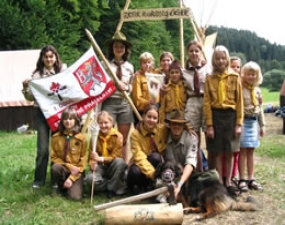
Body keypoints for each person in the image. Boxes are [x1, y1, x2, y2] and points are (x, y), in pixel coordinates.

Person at [21, 45, 67, 188]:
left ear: (55, 57)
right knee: (43, 149)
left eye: (51, 56)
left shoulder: (62, 71)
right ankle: (39, 180)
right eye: (46, 57)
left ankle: (56, 179)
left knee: (57, 147)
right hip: (42, 114)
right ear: (42, 58)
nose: (48, 59)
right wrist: (26, 88)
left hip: (58, 113)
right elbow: (30, 98)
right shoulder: (36, 75)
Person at [204, 45, 243, 196]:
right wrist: (209, 125)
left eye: (223, 58)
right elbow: (207, 102)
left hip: (231, 116)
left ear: (227, 59)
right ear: (214, 60)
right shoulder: (210, 78)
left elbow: (239, 102)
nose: (220, 61)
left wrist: (238, 123)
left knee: (231, 150)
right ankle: (220, 181)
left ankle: (229, 181)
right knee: (219, 151)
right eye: (218, 58)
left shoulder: (235, 77)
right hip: (216, 115)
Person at [101, 30, 134, 162]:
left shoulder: (130, 67)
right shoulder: (105, 65)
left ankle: (123, 167)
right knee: (108, 136)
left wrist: (127, 87)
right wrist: (115, 85)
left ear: (125, 49)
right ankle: (108, 165)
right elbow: (101, 85)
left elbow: (131, 86)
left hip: (125, 104)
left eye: (122, 47)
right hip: (109, 103)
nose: (119, 49)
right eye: (116, 46)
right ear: (112, 48)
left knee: (123, 140)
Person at [183, 40, 211, 172]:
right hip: (192, 101)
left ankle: (210, 169)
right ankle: (197, 171)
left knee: (209, 135)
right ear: (187, 53)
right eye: (191, 51)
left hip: (206, 101)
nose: (194, 53)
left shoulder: (208, 68)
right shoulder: (183, 71)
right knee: (194, 138)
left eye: (196, 50)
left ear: (201, 52)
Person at [84, 111, 127, 198]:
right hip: (100, 167)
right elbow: (91, 156)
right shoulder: (94, 136)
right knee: (89, 179)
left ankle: (111, 189)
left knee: (120, 162)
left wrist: (101, 159)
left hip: (112, 165)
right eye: (100, 123)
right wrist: (92, 164)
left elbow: (116, 156)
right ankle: (114, 184)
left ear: (111, 123)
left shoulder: (118, 136)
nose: (103, 125)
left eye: (106, 122)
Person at [127, 105, 168, 193]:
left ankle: (151, 185)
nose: (151, 120)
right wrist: (154, 175)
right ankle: (139, 186)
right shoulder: (135, 135)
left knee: (156, 157)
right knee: (134, 172)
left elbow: (175, 125)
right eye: (149, 116)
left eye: (154, 118)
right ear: (143, 116)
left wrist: (188, 127)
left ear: (158, 120)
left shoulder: (162, 130)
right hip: (141, 165)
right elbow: (139, 157)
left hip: (155, 163)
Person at [238, 61, 265, 192]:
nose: (251, 77)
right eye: (248, 74)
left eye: (253, 74)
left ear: (257, 75)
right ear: (244, 74)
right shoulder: (240, 88)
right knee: (242, 151)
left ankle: (251, 178)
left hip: (254, 123)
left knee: (251, 151)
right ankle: (242, 179)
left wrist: (262, 125)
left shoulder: (258, 91)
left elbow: (260, 108)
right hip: (243, 122)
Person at [50, 107, 87, 200]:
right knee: (55, 167)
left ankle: (70, 185)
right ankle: (61, 186)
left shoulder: (81, 139)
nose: (68, 121)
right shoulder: (56, 137)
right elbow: (53, 157)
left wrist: (71, 178)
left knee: (75, 197)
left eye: (71, 119)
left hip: (76, 172)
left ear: (75, 121)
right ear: (62, 121)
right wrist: (69, 166)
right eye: (65, 119)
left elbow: (83, 162)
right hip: (63, 169)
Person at [164, 109, 198, 200]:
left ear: (184, 126)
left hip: (189, 172)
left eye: (179, 124)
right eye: (174, 123)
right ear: (169, 125)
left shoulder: (191, 138)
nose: (176, 126)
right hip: (175, 172)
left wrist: (179, 185)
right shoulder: (164, 136)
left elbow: (190, 164)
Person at [222, 56, 242, 182]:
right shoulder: (226, 80)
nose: (235, 68)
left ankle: (233, 176)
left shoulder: (241, 81)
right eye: (232, 66)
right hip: (226, 117)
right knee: (226, 150)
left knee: (235, 150)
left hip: (237, 118)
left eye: (237, 66)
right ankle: (224, 175)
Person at [131, 52, 158, 126]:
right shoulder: (137, 76)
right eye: (144, 62)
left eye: (149, 62)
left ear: (153, 63)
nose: (147, 65)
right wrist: (148, 102)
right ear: (140, 64)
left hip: (156, 110)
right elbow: (137, 98)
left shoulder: (157, 74)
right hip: (142, 112)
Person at [159, 59, 187, 124]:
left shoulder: (185, 87)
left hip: (183, 116)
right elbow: (162, 108)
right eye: (172, 72)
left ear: (181, 73)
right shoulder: (166, 88)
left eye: (177, 72)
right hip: (169, 116)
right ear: (169, 74)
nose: (174, 75)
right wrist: (162, 122)